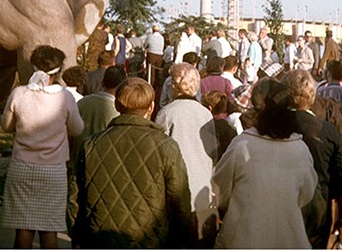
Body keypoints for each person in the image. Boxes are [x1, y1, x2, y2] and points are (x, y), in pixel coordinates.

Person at [67, 77, 192, 247]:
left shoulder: (91, 144)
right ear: (151, 107)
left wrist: (78, 237)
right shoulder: (166, 146)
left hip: (99, 237)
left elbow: (75, 199)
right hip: (150, 239)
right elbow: (180, 200)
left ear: (117, 106)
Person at [211, 78, 318, 248]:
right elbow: (306, 195)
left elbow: (220, 188)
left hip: (243, 237)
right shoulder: (300, 149)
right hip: (287, 236)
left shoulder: (241, 145)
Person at [0, 46, 85, 248]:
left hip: (22, 166)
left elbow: (6, 126)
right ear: (59, 70)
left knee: (23, 227)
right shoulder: (65, 97)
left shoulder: (19, 93)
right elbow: (77, 129)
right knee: (49, 228)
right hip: (53, 169)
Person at [154, 62, 219, 242]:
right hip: (201, 185)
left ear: (174, 86)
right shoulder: (205, 113)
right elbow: (213, 152)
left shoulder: (166, 113)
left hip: (174, 186)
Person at [284, 69, 342, 249]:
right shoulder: (327, 131)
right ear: (312, 97)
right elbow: (340, 178)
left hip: (281, 205)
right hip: (317, 207)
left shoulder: (274, 129)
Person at [73, 65, 127, 160]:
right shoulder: (119, 110)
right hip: (104, 162)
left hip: (79, 159)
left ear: (102, 83)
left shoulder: (82, 102)